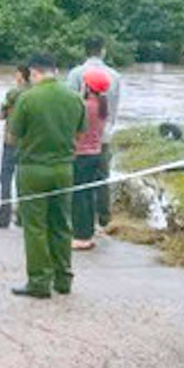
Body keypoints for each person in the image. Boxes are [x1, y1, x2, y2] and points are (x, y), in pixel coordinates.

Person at [8, 53, 85, 298]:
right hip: (64, 169)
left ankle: (40, 282)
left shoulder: (27, 98)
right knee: (62, 223)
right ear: (55, 70)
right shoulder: (74, 98)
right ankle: (63, 279)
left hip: (33, 169)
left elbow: (13, 135)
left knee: (35, 227)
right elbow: (79, 135)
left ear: (33, 72)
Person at [66, 36, 122, 231]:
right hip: (103, 134)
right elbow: (114, 108)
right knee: (102, 176)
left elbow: (70, 107)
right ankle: (104, 217)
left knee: (79, 182)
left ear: (85, 50)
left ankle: (80, 222)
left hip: (80, 140)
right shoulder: (114, 75)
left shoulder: (75, 74)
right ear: (103, 50)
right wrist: (108, 128)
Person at [0, 64, 31, 228]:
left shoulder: (14, 93)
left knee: (5, 177)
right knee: (23, 179)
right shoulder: (35, 93)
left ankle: (4, 216)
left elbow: (0, 115)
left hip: (11, 141)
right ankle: (22, 216)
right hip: (29, 142)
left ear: (20, 75)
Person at [71, 69, 112, 251]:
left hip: (81, 155)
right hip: (95, 153)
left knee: (79, 196)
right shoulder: (102, 106)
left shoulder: (85, 106)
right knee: (88, 195)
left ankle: (81, 237)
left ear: (87, 86)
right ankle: (88, 232)